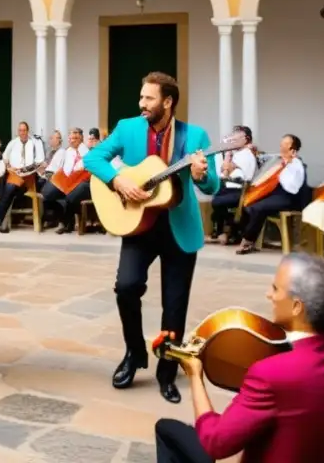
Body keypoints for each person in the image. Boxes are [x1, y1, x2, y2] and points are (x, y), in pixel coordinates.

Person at [154, 253, 324, 463]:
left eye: (276, 289)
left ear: (297, 306)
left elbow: (216, 442)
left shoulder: (270, 373)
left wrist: (195, 375)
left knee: (167, 430)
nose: (269, 295)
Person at [85, 72, 219, 404]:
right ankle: (134, 353)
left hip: (178, 228)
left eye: (148, 98)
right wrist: (118, 181)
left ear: (168, 102)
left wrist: (201, 175)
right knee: (126, 287)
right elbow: (92, 158)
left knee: (174, 305)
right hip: (138, 225)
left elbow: (212, 185)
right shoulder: (127, 127)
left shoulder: (195, 136)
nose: (141, 103)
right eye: (141, 97)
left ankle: (167, 373)